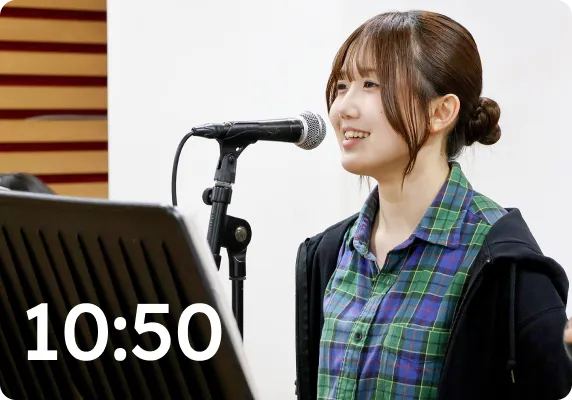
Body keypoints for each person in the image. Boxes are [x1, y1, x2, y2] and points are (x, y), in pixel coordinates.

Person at [294, 10, 572, 400]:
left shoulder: (504, 264)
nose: (343, 108)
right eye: (341, 86)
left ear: (440, 112)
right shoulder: (327, 254)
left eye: (371, 84)